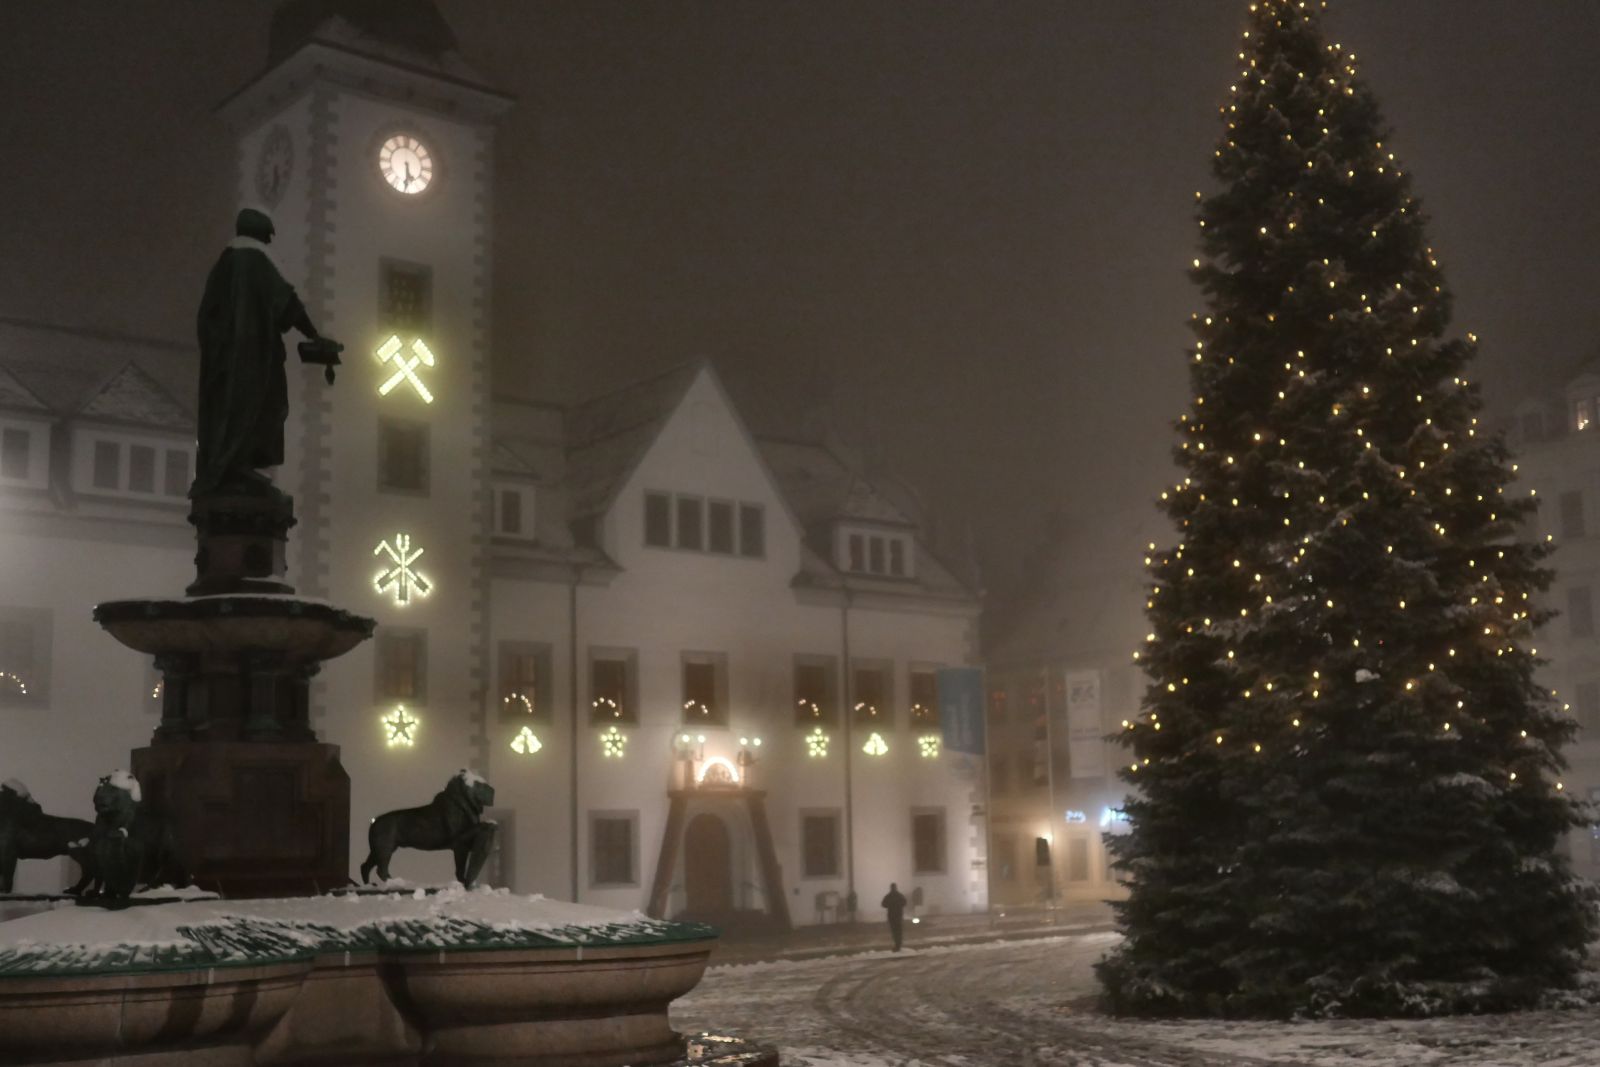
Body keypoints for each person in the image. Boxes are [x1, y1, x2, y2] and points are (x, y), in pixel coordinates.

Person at [192, 208, 325, 498]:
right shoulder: (256, 261)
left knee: (224, 411)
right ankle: (239, 466)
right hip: (253, 359)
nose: (269, 242)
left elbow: (205, 318)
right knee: (260, 406)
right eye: (268, 236)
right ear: (261, 233)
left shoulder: (223, 265)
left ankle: (225, 468)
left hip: (222, 362)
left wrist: (218, 349)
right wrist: (314, 335)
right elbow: (287, 303)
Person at [881, 882, 908, 951]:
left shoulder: (889, 896)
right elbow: (904, 903)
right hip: (897, 916)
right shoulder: (899, 895)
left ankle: (897, 945)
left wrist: (890, 904)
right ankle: (898, 945)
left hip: (892, 916)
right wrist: (898, 904)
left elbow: (883, 904)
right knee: (898, 931)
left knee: (894, 931)